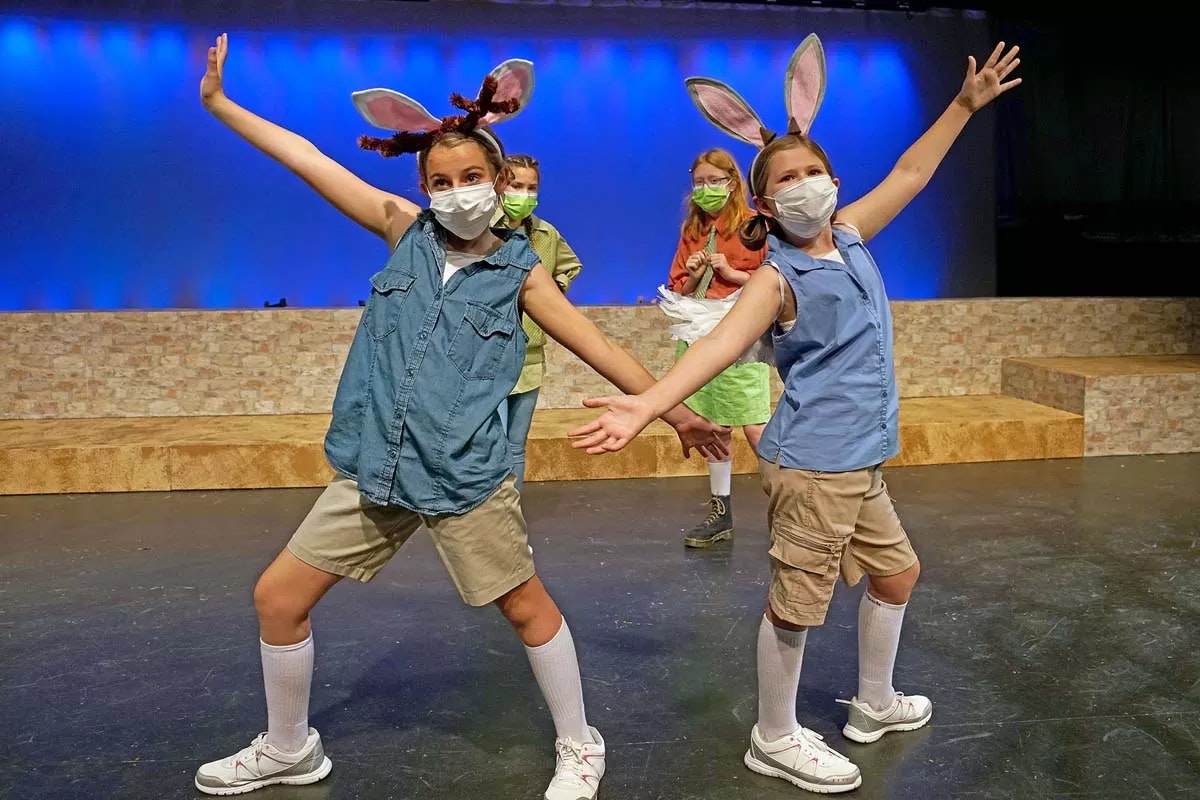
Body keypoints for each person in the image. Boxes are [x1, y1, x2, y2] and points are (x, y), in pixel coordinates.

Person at [192, 34, 728, 799]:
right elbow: (307, 159)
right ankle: (288, 748)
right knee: (277, 598)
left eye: (472, 177)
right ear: (423, 187)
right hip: (379, 466)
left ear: (499, 180)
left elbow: (602, 345)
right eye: (440, 181)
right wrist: (220, 105)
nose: (457, 192)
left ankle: (581, 744)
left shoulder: (521, 271)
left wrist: (674, 414)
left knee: (525, 608)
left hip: (465, 474)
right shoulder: (401, 229)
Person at [570, 35, 1022, 793]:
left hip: (859, 461)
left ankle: (874, 703)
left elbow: (911, 173)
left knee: (899, 575)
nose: (806, 184)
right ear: (766, 203)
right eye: (787, 178)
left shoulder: (850, 236)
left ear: (834, 182)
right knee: (796, 606)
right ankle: (773, 736)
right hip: (812, 467)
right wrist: (649, 404)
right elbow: (718, 349)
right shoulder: (774, 280)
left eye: (814, 171)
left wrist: (963, 106)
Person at [658, 148, 769, 548]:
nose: (706, 189)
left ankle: (789, 506)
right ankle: (721, 512)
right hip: (699, 330)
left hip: (740, 331)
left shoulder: (755, 227)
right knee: (712, 426)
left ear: (733, 182)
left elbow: (774, 282)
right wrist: (694, 274)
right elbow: (679, 289)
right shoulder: (692, 230)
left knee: (754, 423)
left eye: (714, 181)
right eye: (699, 182)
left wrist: (731, 273)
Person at [494, 154, 582, 491]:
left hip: (529, 355)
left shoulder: (545, 233)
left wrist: (551, 293)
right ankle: (488, 509)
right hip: (489, 355)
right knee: (492, 442)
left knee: (516, 444)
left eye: (531, 188)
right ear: (500, 185)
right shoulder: (483, 229)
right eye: (516, 185)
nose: (524, 194)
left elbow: (570, 265)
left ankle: (511, 509)